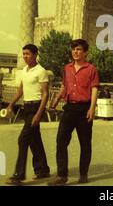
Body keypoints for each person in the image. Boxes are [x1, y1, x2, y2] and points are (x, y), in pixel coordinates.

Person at [48, 39, 99, 186]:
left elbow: (95, 89)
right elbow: (64, 86)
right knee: (61, 141)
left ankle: (83, 174)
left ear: (85, 53)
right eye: (73, 49)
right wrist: (56, 99)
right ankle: (62, 175)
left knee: (85, 143)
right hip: (69, 108)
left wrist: (92, 108)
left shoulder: (91, 69)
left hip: (84, 109)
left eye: (78, 49)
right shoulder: (67, 68)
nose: (75, 52)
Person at [6, 44, 50, 185]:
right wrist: (11, 104)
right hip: (26, 107)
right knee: (34, 140)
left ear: (35, 55)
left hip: (36, 107)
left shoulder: (41, 71)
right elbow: (20, 91)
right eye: (23, 54)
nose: (25, 56)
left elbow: (45, 94)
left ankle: (19, 175)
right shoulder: (24, 70)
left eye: (27, 54)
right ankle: (42, 169)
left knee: (23, 139)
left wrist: (39, 114)